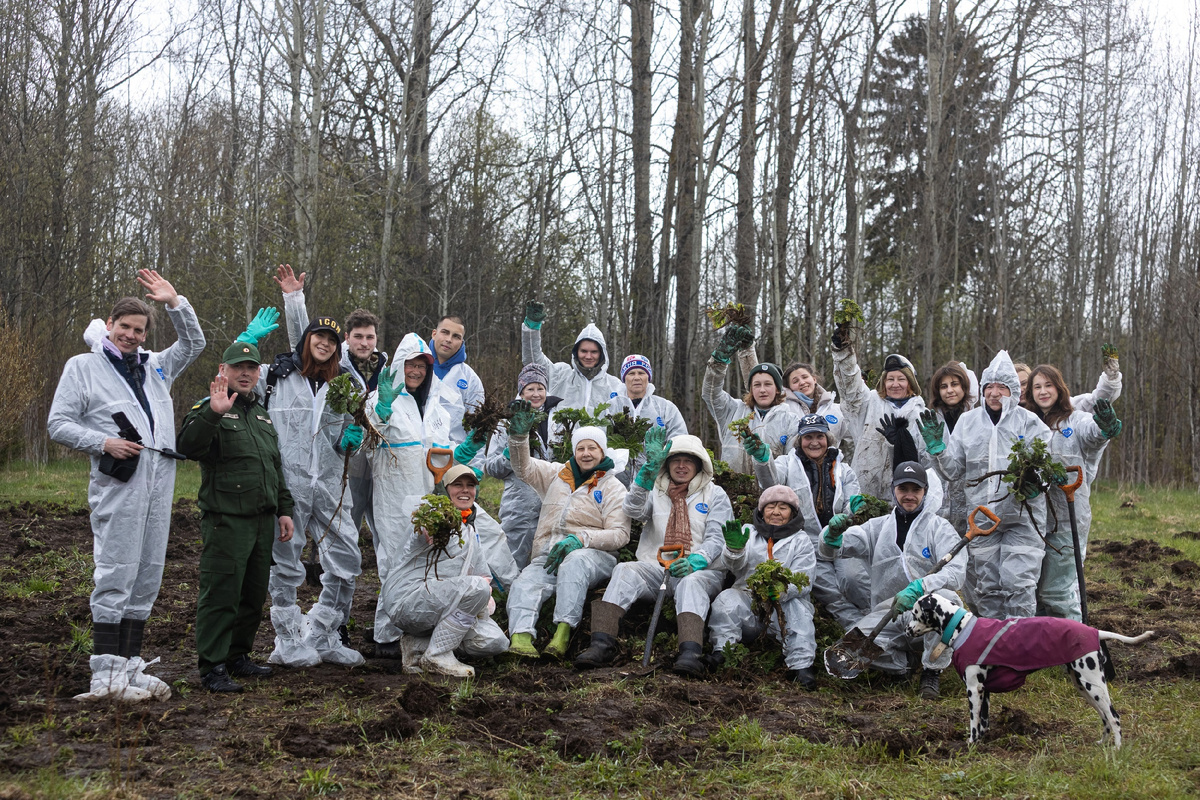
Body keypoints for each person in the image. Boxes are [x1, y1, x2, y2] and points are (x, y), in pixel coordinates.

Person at [49, 270, 205, 702]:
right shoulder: (83, 367)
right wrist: (103, 442)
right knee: (117, 572)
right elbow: (58, 424)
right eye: (125, 327)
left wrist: (176, 303)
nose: (132, 336)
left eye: (139, 330)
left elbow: (194, 345)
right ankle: (104, 674)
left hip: (159, 482)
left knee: (147, 575)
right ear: (110, 324)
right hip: (119, 484)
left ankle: (128, 665)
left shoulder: (154, 366)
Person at [237, 314, 365, 667]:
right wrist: (246, 339)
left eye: (331, 340)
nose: (324, 343)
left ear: (338, 349)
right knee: (285, 561)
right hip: (287, 484)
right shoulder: (276, 376)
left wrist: (353, 438)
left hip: (328, 484)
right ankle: (288, 640)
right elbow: (235, 378)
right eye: (318, 336)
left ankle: (324, 633)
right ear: (306, 339)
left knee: (347, 557)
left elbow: (349, 434)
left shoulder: (344, 385)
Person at [177, 343, 296, 693]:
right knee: (222, 594)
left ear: (258, 373)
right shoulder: (210, 408)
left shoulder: (260, 414)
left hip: (262, 520)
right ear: (223, 370)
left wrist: (284, 509)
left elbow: (275, 467)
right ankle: (212, 665)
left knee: (252, 593)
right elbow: (188, 446)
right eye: (238, 367)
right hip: (227, 519)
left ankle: (237, 656)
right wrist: (214, 413)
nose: (245, 373)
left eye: (251, 368)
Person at [574, 432, 731, 674]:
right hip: (656, 567)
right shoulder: (656, 490)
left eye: (688, 460)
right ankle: (601, 644)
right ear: (666, 464)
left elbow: (717, 537)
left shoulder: (715, 494)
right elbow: (633, 509)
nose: (681, 466)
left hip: (700, 571)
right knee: (625, 570)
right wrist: (646, 475)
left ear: (699, 464)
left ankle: (690, 652)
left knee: (691, 584)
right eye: (675, 460)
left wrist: (697, 560)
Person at [921, 350, 1052, 620]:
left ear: (1013, 391)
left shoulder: (1030, 423)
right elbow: (954, 471)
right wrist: (938, 450)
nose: (994, 393)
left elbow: (1046, 465)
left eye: (1001, 387)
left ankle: (1020, 645)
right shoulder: (969, 423)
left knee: (1018, 584)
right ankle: (994, 645)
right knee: (987, 587)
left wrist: (1038, 483)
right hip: (982, 520)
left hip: (1022, 518)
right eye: (989, 387)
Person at [818, 461, 967, 698]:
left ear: (925, 492)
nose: (909, 496)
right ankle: (905, 663)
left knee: (947, 600)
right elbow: (834, 549)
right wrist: (832, 536)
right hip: (889, 612)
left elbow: (956, 573)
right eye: (903, 489)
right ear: (893, 490)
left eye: (915, 490)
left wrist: (921, 587)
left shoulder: (939, 528)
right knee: (846, 650)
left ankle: (932, 672)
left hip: (925, 613)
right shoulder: (877, 528)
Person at [504, 412, 631, 660]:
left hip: (594, 556)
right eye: (581, 448)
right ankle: (520, 638)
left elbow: (621, 534)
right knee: (525, 582)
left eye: (592, 448)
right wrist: (518, 438)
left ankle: (561, 634)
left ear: (602, 452)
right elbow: (522, 467)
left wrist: (581, 539)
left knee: (575, 563)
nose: (586, 453)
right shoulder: (557, 474)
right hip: (550, 554)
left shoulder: (612, 486)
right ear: (574, 451)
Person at [275, 265, 389, 537]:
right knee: (337, 513)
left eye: (370, 337)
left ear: (376, 339)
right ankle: (317, 563)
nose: (364, 342)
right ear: (346, 339)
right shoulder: (336, 368)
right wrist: (294, 301)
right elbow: (302, 341)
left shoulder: (386, 369)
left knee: (357, 519)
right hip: (328, 459)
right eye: (358, 337)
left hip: (369, 455)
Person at [364, 333, 453, 657]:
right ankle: (385, 637)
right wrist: (383, 409)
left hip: (422, 493)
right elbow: (370, 437)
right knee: (392, 561)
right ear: (399, 365)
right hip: (392, 495)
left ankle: (404, 629)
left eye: (422, 365)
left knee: (419, 561)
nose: (416, 371)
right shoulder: (381, 397)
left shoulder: (426, 404)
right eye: (411, 364)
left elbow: (435, 449)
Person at [379, 465, 513, 678]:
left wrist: (482, 601)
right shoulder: (433, 516)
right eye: (457, 485)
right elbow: (421, 530)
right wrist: (430, 524)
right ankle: (437, 656)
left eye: (470, 486)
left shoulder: (470, 532)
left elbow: (483, 576)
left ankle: (418, 644)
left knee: (495, 642)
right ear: (446, 489)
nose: (465, 490)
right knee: (476, 588)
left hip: (443, 605)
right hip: (409, 600)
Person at [743, 413, 866, 630]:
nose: (814, 442)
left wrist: (850, 514)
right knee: (831, 594)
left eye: (820, 436)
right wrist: (763, 460)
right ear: (799, 440)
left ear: (828, 439)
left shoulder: (843, 469)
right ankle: (859, 631)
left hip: (840, 541)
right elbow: (771, 484)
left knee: (854, 580)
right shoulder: (787, 463)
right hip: (806, 546)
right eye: (808, 437)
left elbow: (851, 501)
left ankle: (875, 619)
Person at [1024, 365, 1122, 619]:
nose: (1043, 392)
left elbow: (1093, 435)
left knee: (1056, 590)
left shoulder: (1074, 418)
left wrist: (1104, 428)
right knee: (1031, 588)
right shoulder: (1028, 422)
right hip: (1031, 521)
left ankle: (1076, 643)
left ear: (1059, 388)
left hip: (1067, 518)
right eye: (1037, 387)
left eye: (1049, 385)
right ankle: (1046, 640)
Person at [708, 485, 819, 688]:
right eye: (771, 507)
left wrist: (781, 590)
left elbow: (805, 578)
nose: (776, 512)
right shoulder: (747, 532)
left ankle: (801, 666)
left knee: (799, 610)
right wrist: (734, 549)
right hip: (749, 601)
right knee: (726, 600)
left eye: (783, 508)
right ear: (761, 511)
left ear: (792, 513)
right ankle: (723, 652)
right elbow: (735, 567)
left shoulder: (801, 540)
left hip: (782, 609)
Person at [831, 321, 928, 499]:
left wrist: (897, 445)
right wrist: (843, 352)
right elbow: (850, 386)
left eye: (901, 379)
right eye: (890, 379)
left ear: (911, 383)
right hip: (863, 494)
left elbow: (926, 462)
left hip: (902, 498)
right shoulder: (869, 402)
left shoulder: (921, 415)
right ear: (883, 382)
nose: (895, 384)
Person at [482, 364, 563, 569]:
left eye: (540, 388)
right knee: (514, 559)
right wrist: (512, 452)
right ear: (521, 391)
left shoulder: (560, 420)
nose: (536, 394)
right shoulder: (507, 421)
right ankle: (505, 596)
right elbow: (491, 467)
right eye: (530, 389)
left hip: (553, 500)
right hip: (520, 505)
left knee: (547, 557)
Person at [702, 324, 798, 474]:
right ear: (751, 389)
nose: (762, 390)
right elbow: (710, 394)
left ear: (778, 389)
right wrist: (718, 362)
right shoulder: (733, 410)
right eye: (757, 385)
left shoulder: (790, 420)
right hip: (731, 492)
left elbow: (793, 464)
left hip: (771, 494)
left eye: (768, 384)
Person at [521, 301, 622, 416]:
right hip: (563, 434)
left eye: (594, 352)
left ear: (602, 354)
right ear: (576, 352)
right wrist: (531, 330)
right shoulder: (561, 376)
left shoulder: (614, 385)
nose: (588, 356)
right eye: (583, 351)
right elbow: (533, 363)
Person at [927, 361, 978, 536]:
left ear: (964, 386)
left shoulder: (976, 419)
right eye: (944, 386)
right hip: (938, 504)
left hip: (970, 502)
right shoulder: (930, 422)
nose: (949, 390)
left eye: (954, 384)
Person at [428, 315, 486, 447]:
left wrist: (476, 465)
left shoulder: (470, 380)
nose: (449, 340)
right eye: (445, 332)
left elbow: (478, 429)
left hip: (454, 457)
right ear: (434, 334)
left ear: (461, 342)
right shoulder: (416, 368)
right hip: (415, 454)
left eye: (456, 336)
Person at [610, 354, 687, 438]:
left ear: (648, 377)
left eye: (641, 373)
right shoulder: (611, 407)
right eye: (631, 373)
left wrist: (662, 450)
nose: (636, 378)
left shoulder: (665, 408)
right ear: (624, 378)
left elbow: (680, 438)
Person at [782, 362, 846, 447]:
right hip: (793, 460)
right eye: (795, 381)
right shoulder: (784, 410)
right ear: (789, 388)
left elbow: (858, 432)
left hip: (829, 460)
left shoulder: (835, 410)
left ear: (814, 379)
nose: (802, 382)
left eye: (805, 377)